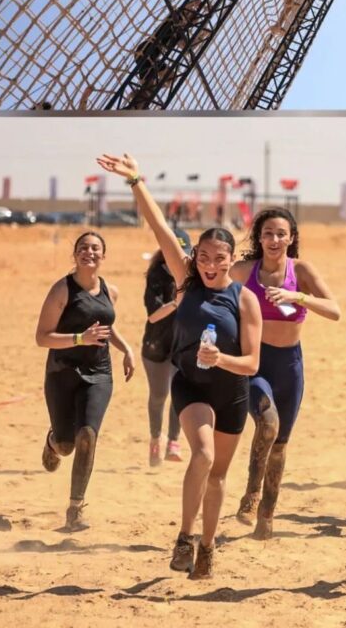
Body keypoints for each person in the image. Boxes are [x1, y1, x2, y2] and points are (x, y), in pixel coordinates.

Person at [95, 152, 262, 580]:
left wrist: (221, 357)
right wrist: (136, 181)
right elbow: (160, 228)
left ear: (230, 259)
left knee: (219, 475)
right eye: (203, 256)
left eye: (218, 258)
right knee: (201, 454)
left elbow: (252, 363)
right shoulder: (186, 281)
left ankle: (208, 545)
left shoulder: (244, 299)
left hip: (232, 394)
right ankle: (185, 537)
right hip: (191, 386)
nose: (209, 265)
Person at [231, 208, 339, 539]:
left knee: (280, 444)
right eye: (268, 233)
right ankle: (251, 494)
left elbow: (335, 310)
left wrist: (297, 296)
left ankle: (267, 514)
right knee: (267, 424)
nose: (274, 240)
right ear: (258, 238)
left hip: (290, 366)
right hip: (256, 363)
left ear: (291, 238)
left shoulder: (301, 270)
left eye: (281, 234)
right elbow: (211, 292)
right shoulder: (242, 272)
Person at [35, 231, 135, 531]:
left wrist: (127, 349)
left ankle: (75, 509)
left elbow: (106, 328)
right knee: (67, 444)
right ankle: (53, 441)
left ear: (103, 256)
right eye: (83, 248)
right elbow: (42, 337)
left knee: (88, 435)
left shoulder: (110, 290)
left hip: (99, 373)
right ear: (75, 254)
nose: (89, 252)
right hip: (62, 372)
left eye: (95, 249)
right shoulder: (61, 290)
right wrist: (80, 338)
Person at [142, 230, 193, 465]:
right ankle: (155, 439)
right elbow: (153, 316)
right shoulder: (156, 275)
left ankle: (174, 441)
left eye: (183, 250)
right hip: (157, 345)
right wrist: (176, 302)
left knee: (179, 393)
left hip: (181, 345)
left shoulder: (193, 275)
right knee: (159, 394)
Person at [128, 0, 209, 108]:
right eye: (193, 19)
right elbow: (188, 5)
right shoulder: (177, 18)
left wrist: (202, 35)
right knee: (165, 79)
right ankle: (139, 101)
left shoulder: (179, 31)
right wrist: (199, 4)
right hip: (146, 52)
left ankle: (140, 100)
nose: (193, 21)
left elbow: (187, 45)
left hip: (147, 55)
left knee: (162, 80)